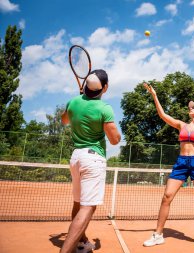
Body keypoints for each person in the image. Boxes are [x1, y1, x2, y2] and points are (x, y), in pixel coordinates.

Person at [143, 83, 194, 247]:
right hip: (181, 163)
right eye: (191, 107)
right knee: (167, 196)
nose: (191, 108)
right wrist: (154, 95)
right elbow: (163, 115)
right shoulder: (182, 125)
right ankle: (158, 234)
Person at [60, 69, 121, 253]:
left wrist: (77, 102)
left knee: (78, 204)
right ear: (105, 88)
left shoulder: (73, 102)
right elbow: (114, 139)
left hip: (76, 158)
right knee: (88, 208)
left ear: (86, 86)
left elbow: (64, 121)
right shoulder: (104, 108)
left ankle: (81, 243)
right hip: (92, 159)